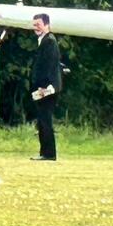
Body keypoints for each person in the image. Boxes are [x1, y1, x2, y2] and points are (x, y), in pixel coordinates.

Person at [31, 13, 62, 161]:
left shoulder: (49, 41)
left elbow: (49, 66)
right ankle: (45, 152)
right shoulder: (44, 40)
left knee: (45, 119)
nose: (35, 27)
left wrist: (44, 87)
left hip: (47, 88)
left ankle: (49, 153)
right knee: (42, 119)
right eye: (34, 24)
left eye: (38, 24)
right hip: (45, 87)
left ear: (46, 25)